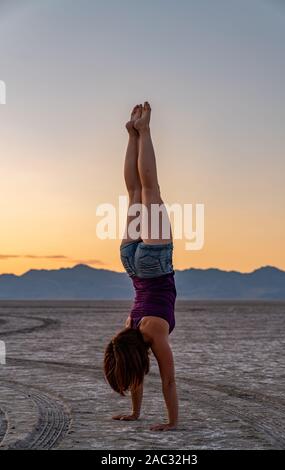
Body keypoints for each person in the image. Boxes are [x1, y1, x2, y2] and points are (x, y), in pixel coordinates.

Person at [103, 102, 178, 431]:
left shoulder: (155, 334)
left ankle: (143, 130)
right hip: (130, 263)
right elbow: (137, 375)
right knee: (133, 192)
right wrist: (134, 414)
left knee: (150, 190)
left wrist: (172, 422)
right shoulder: (130, 325)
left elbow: (169, 382)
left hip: (154, 264)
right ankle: (131, 135)